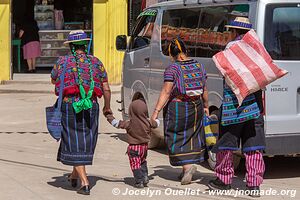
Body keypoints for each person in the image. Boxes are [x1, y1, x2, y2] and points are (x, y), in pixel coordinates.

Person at [208, 17, 266, 198]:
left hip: (234, 106)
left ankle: (224, 180)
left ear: (234, 31)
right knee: (253, 145)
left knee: (226, 143)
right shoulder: (256, 47)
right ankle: (254, 185)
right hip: (254, 105)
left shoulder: (231, 47)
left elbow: (224, 72)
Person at [50, 30, 112, 195]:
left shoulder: (62, 62)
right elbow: (106, 87)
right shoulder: (96, 62)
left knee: (72, 139)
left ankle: (84, 183)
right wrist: (107, 107)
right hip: (91, 105)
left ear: (70, 46)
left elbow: (54, 79)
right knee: (84, 140)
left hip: (70, 105)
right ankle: (73, 175)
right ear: (85, 45)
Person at [151, 38, 209, 185]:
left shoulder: (173, 69)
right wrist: (206, 106)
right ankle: (185, 170)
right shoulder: (199, 65)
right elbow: (205, 89)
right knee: (191, 135)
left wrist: (156, 111)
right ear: (186, 50)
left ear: (172, 54)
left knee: (174, 136)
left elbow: (166, 91)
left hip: (178, 108)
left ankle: (187, 167)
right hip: (197, 106)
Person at [106, 96, 159, 188]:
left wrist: (109, 116)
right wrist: (157, 118)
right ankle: (145, 176)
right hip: (144, 147)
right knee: (142, 161)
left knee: (135, 164)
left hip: (134, 147)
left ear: (131, 111)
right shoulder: (148, 122)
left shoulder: (129, 123)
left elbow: (116, 123)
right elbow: (156, 123)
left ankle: (139, 181)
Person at [15, 0, 41, 73]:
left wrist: (18, 36)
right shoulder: (34, 22)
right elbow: (37, 30)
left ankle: (30, 69)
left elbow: (21, 34)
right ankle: (33, 68)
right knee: (34, 56)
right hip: (36, 41)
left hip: (28, 42)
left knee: (28, 56)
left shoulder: (24, 23)